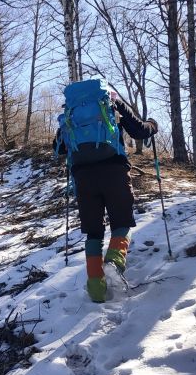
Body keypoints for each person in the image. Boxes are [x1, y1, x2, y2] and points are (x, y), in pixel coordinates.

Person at [54, 92, 157, 303]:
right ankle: (114, 262)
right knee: (121, 223)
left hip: (83, 178)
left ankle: (96, 288)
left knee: (93, 231)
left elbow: (59, 147)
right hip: (114, 172)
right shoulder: (112, 102)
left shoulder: (72, 113)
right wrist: (153, 124)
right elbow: (139, 131)